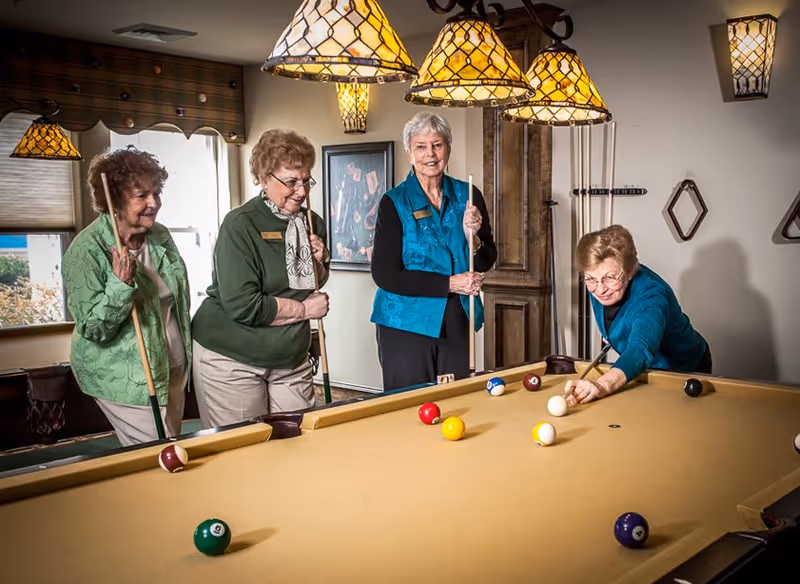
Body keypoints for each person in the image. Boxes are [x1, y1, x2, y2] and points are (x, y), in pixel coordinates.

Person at [191, 129, 330, 428]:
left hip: (290, 355)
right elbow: (244, 305)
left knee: (299, 440)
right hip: (232, 356)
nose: (302, 190)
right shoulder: (240, 224)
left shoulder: (311, 221)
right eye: (290, 182)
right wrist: (305, 311)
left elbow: (309, 285)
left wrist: (320, 259)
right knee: (245, 448)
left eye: (306, 180)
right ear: (263, 178)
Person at [63, 147, 191, 446]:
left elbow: (174, 301)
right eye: (142, 195)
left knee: (170, 446)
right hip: (125, 375)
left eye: (156, 192)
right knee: (157, 453)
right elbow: (94, 328)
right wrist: (120, 285)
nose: (154, 203)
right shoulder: (85, 251)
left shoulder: (160, 235)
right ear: (115, 201)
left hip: (171, 365)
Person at [371, 112, 497, 390]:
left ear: (448, 149)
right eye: (421, 146)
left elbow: (487, 257)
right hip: (404, 323)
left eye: (437, 145)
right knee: (409, 408)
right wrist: (450, 283)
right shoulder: (394, 202)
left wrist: (473, 237)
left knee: (457, 401)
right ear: (409, 154)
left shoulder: (469, 195)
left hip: (456, 317)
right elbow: (385, 274)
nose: (430, 154)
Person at [564, 225, 711, 405]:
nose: (600, 289)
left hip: (684, 370)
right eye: (591, 279)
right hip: (643, 370)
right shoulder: (597, 283)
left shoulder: (652, 296)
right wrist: (615, 334)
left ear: (630, 271)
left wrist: (601, 385)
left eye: (610, 278)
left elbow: (639, 349)